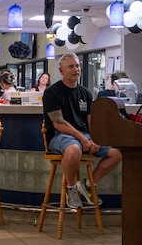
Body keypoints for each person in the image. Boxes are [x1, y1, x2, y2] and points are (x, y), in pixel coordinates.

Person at [42, 53, 121, 210]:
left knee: (117, 153)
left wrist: (95, 139)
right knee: (74, 151)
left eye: (77, 66)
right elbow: (58, 123)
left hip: (84, 135)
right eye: (71, 66)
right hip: (60, 136)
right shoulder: (52, 92)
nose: (75, 69)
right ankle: (71, 189)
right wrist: (82, 139)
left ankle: (88, 184)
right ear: (61, 70)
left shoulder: (86, 93)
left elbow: (91, 121)